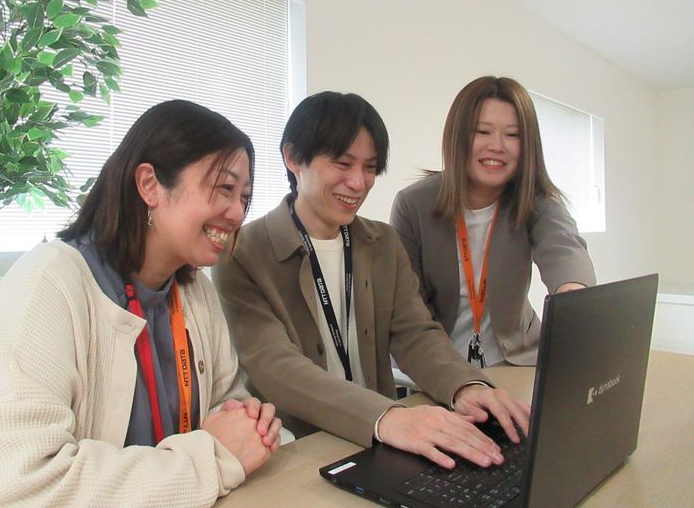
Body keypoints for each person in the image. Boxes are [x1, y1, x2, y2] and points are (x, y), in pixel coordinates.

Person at [0, 100, 282, 507]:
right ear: (149, 185)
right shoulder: (47, 285)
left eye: (245, 197)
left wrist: (250, 425)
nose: (238, 212)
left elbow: (227, 409)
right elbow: (19, 486)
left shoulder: (194, 292)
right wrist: (211, 461)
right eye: (225, 188)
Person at [212, 91, 529, 471]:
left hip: (385, 442)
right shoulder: (243, 252)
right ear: (293, 158)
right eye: (343, 163)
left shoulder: (381, 243)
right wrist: (386, 417)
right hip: (301, 451)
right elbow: (274, 365)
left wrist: (464, 385)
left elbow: (416, 333)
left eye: (370, 168)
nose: (358, 182)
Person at [390, 76, 596, 367]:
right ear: (457, 136)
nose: (496, 146)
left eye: (512, 135)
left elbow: (564, 249)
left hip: (517, 360)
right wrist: (455, 377)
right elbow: (410, 309)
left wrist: (572, 296)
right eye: (482, 131)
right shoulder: (413, 204)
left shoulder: (536, 201)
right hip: (437, 365)